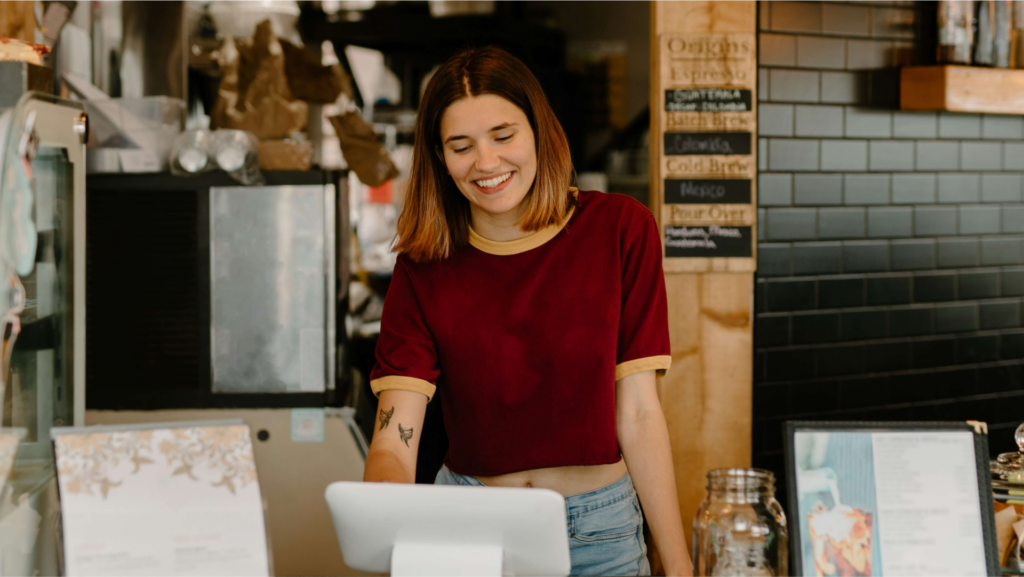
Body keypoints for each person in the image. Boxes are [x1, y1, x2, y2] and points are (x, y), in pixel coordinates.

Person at [363, 46, 693, 577]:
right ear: (439, 158)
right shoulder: (424, 264)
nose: (486, 163)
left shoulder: (620, 230)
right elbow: (395, 436)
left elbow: (638, 412)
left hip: (599, 532)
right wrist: (383, 517)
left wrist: (677, 564)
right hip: (468, 522)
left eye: (503, 135)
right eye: (461, 146)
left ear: (539, 129)